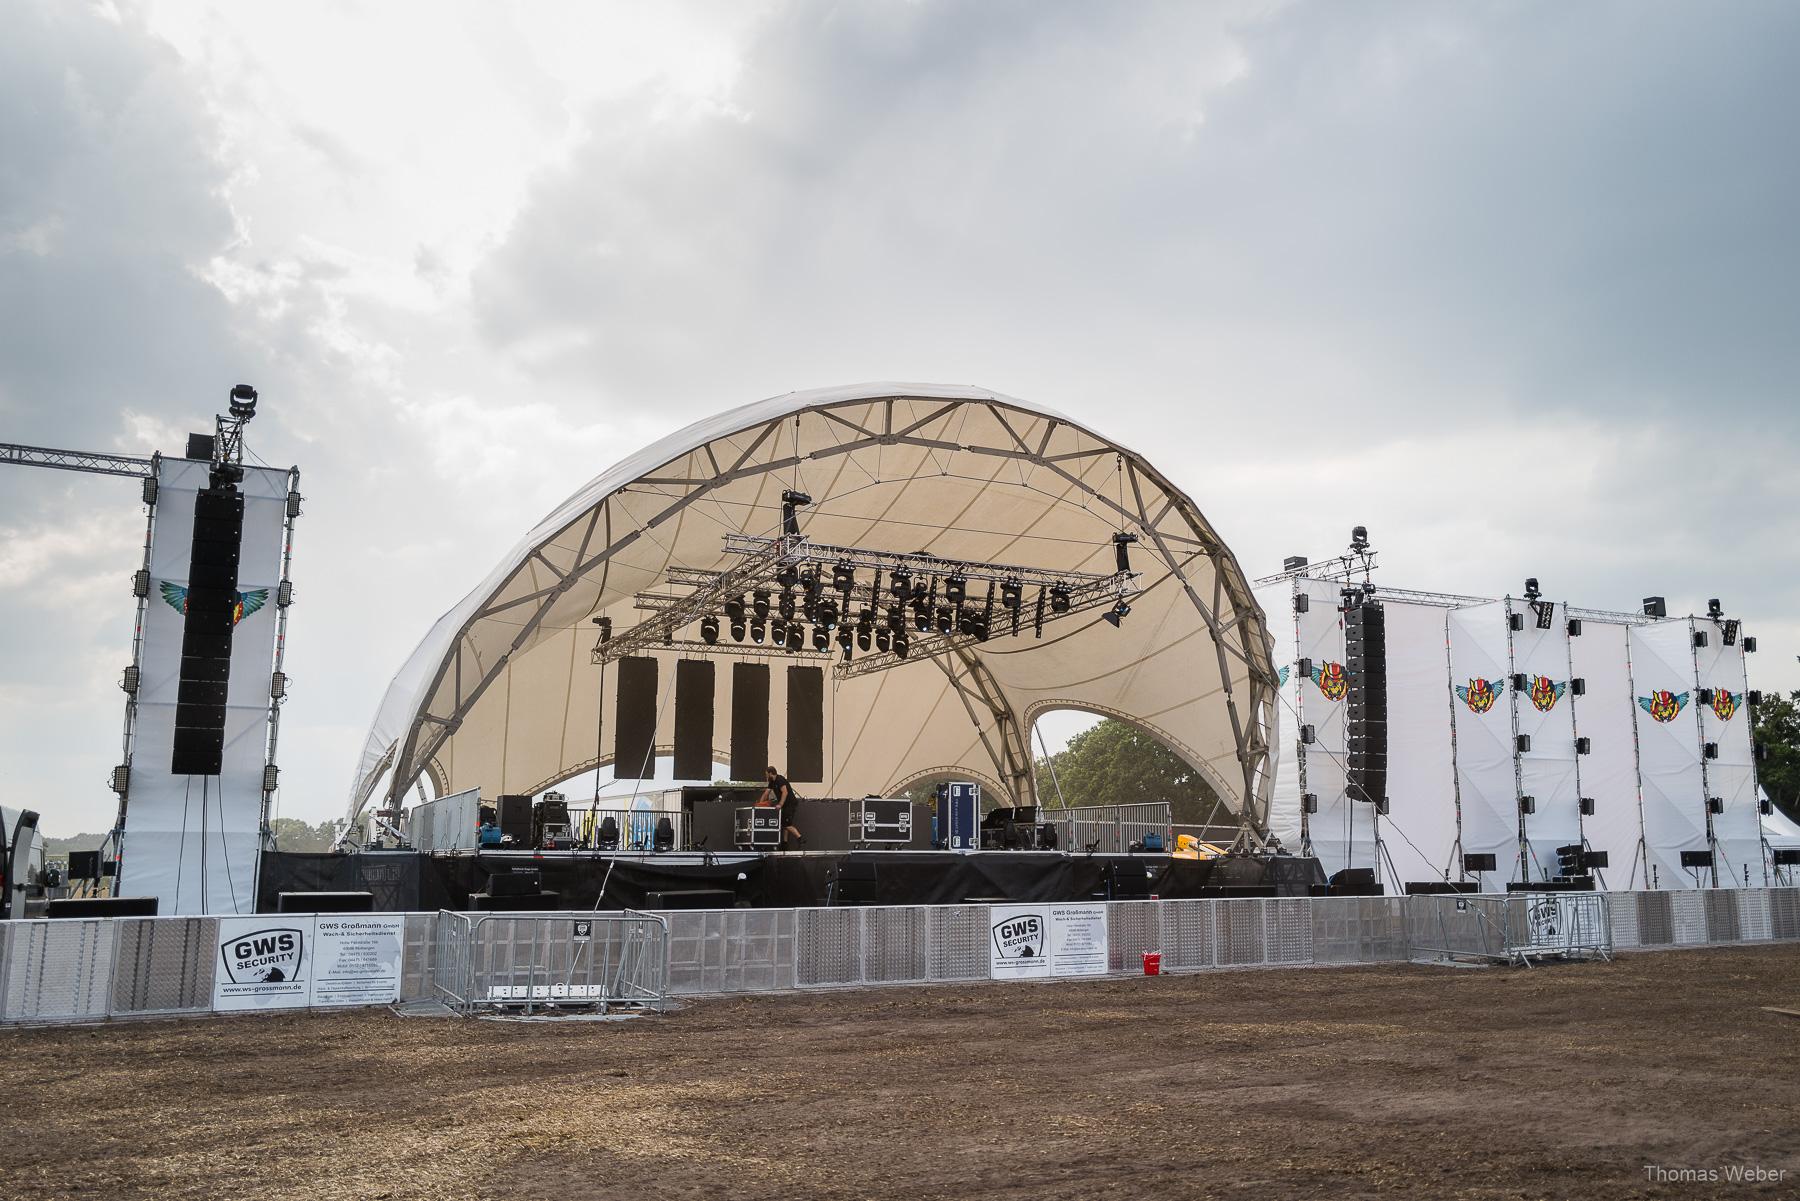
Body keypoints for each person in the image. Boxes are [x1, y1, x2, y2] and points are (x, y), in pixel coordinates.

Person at [758, 765, 804, 849]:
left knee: (786, 824)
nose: (766, 776)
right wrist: (760, 804)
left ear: (771, 773)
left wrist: (780, 804)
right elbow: (766, 793)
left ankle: (800, 838)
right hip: (785, 805)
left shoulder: (780, 780)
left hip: (790, 804)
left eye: (766, 774)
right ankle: (785, 844)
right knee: (785, 823)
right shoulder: (772, 782)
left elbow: (785, 792)